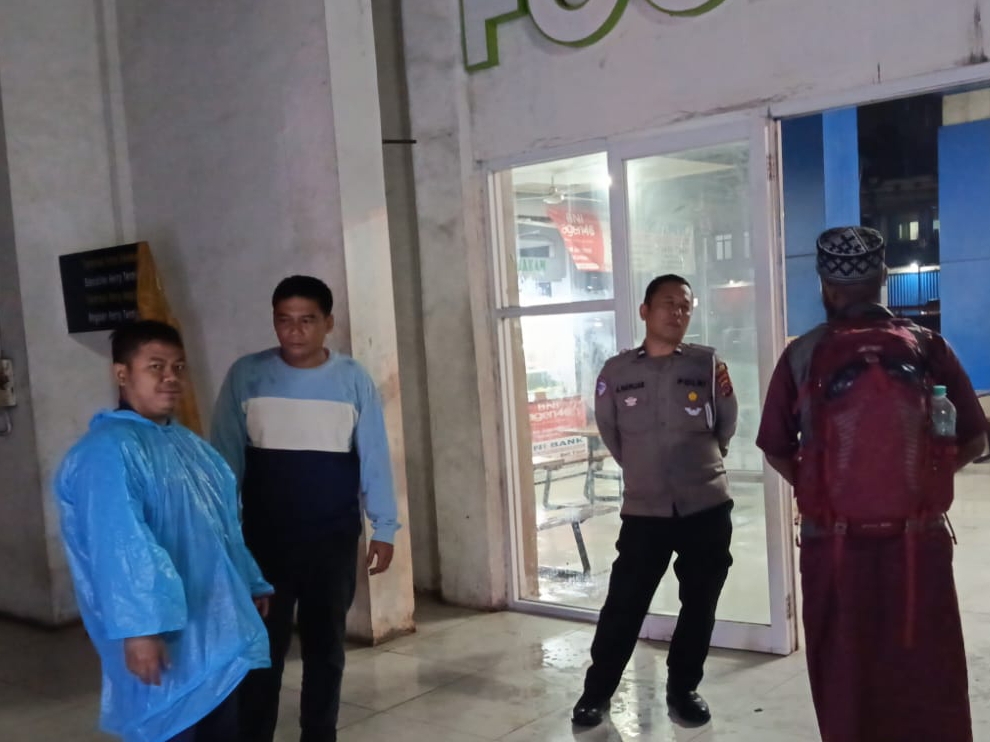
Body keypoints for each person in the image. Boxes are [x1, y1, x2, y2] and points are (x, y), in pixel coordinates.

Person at [757, 226, 988, 742]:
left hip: (833, 547)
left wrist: (819, 489)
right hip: (919, 543)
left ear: (825, 286)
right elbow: (975, 438)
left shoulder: (802, 355)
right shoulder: (927, 346)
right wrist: (925, 480)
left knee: (846, 678)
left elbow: (774, 445)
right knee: (929, 675)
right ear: (882, 277)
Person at [55, 320, 273, 742]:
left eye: (178, 367)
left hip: (216, 630)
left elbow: (223, 525)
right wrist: (140, 630)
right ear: (122, 374)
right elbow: (121, 547)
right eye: (155, 366)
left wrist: (250, 580)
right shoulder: (107, 452)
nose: (170, 378)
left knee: (221, 727)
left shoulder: (191, 447)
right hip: (164, 638)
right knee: (172, 726)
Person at [211, 275, 399, 742]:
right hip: (262, 543)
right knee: (262, 650)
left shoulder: (352, 380)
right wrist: (223, 531)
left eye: (307, 320)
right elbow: (224, 460)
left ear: (328, 323)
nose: (294, 331)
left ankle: (319, 734)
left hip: (331, 541)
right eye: (284, 320)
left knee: (325, 649)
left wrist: (385, 527)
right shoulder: (246, 375)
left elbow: (375, 457)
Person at [572, 274, 738, 729]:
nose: (677, 313)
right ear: (645, 311)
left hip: (705, 505)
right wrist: (646, 468)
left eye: (685, 306)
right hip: (645, 511)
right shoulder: (617, 373)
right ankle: (596, 693)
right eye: (668, 303)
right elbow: (612, 433)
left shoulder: (708, 364)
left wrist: (699, 462)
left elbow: (725, 422)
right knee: (624, 603)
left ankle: (683, 689)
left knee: (700, 602)